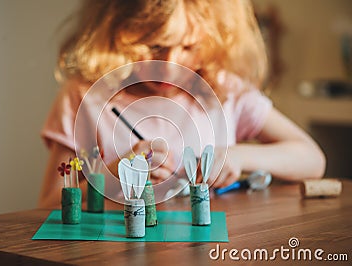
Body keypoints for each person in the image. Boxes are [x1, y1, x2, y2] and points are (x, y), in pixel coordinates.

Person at [38, 0, 326, 209]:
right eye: (154, 46)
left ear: (216, 41)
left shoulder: (225, 91)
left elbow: (312, 159)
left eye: (189, 47)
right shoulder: (86, 97)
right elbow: (48, 205)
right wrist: (113, 174)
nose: (170, 68)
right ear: (118, 33)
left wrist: (237, 157)